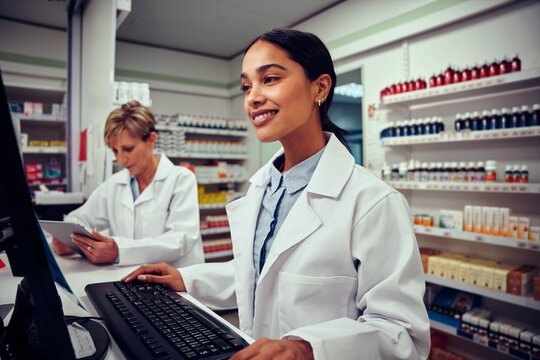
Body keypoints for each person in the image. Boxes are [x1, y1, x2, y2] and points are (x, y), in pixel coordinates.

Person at [123, 29, 430, 359]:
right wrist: (185, 278)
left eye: (269, 79)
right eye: (246, 86)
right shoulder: (262, 189)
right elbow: (260, 276)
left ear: (320, 88)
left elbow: (402, 333)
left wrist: (308, 348)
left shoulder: (373, 202)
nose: (252, 97)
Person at [52, 100, 203, 267]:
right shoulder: (115, 184)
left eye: (128, 149)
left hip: (176, 283)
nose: (121, 159)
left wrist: (118, 251)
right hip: (129, 282)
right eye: (115, 151)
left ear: (151, 140)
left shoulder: (180, 179)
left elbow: (180, 240)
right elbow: (79, 218)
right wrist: (70, 241)